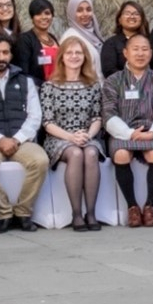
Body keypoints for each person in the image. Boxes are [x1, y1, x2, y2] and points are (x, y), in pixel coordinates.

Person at [0, 34, 48, 233]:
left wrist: (17, 139)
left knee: (40, 160)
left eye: (5, 52)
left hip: (21, 140)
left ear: (11, 55)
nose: (1, 57)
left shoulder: (26, 82)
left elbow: (35, 116)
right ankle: (4, 213)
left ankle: (23, 212)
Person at [102, 34, 153, 228]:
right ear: (126, 53)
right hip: (123, 132)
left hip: (152, 130)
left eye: (145, 49)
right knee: (120, 154)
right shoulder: (113, 81)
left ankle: (150, 206)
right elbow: (108, 113)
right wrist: (129, 134)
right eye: (135, 49)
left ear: (151, 53)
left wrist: (152, 133)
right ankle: (132, 207)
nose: (140, 53)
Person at [39, 35, 104, 232]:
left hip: (87, 135)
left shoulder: (93, 85)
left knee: (91, 153)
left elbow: (97, 117)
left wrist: (88, 135)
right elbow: (47, 122)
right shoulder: (49, 86)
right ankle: (76, 214)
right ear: (62, 57)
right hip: (59, 138)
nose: (74, 56)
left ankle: (91, 213)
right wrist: (70, 137)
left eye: (78, 53)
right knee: (76, 153)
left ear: (85, 57)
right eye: (69, 53)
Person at [12, 0, 57, 84]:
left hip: (58, 90)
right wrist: (45, 85)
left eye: (47, 13)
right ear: (32, 17)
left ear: (52, 15)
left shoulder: (53, 38)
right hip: (37, 90)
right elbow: (23, 73)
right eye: (38, 14)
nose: (43, 17)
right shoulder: (24, 40)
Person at [60, 0, 104, 81]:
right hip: (83, 89)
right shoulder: (70, 37)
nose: (85, 14)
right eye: (79, 10)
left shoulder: (94, 33)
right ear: (72, 12)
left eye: (88, 9)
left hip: (99, 87)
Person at [101, 1, 150, 78]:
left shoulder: (150, 41)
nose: (132, 16)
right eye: (127, 13)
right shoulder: (111, 43)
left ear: (142, 19)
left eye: (136, 14)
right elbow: (109, 71)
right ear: (119, 20)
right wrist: (134, 80)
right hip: (121, 87)